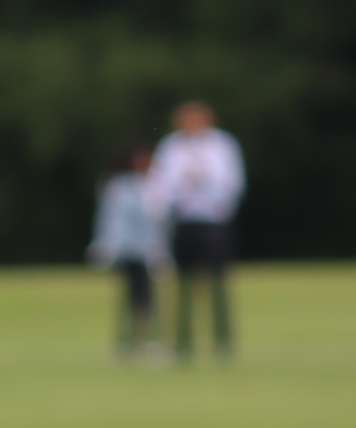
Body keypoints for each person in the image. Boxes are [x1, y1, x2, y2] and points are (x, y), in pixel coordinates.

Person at [146, 100, 245, 360]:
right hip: (184, 219)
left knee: (218, 280)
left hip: (214, 220)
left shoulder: (222, 144)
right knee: (184, 281)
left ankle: (223, 341)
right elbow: (160, 184)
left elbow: (233, 182)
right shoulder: (171, 146)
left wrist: (206, 178)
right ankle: (183, 341)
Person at [88, 146, 167, 359]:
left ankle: (152, 340)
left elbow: (163, 221)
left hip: (150, 249)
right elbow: (110, 218)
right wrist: (105, 245)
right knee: (128, 295)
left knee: (150, 296)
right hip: (126, 249)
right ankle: (126, 340)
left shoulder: (157, 184)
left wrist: (161, 249)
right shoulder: (118, 186)